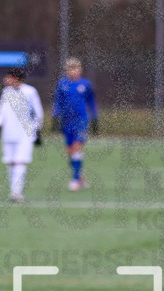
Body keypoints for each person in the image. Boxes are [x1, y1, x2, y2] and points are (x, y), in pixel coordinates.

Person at [0, 67, 43, 202]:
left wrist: (38, 131)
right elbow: (1, 111)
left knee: (20, 161)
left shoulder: (30, 91)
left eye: (8, 77)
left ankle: (16, 192)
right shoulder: (6, 92)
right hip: (8, 133)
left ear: (16, 78)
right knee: (10, 161)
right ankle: (13, 190)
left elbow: (37, 111)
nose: (5, 80)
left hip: (25, 134)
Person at [53, 57, 98, 191]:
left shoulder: (86, 84)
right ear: (66, 71)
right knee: (70, 152)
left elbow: (92, 102)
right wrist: (55, 117)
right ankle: (80, 176)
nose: (73, 71)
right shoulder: (62, 84)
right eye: (70, 69)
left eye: (75, 68)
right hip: (66, 121)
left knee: (76, 147)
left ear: (80, 70)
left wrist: (95, 119)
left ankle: (75, 180)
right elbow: (58, 101)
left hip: (81, 120)